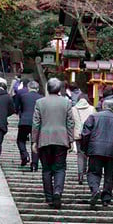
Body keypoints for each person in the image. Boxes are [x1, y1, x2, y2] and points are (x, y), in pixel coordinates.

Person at [32, 78, 74, 209]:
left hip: (44, 138)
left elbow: (36, 123)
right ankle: (57, 192)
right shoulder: (67, 103)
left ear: (48, 88)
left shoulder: (40, 102)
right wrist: (71, 139)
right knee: (60, 168)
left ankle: (49, 197)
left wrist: (34, 140)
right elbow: (70, 122)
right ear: (59, 88)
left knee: (46, 169)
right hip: (61, 139)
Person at [80, 97, 113, 208]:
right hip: (112, 151)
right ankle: (106, 199)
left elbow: (85, 134)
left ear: (103, 107)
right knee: (109, 175)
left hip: (95, 150)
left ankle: (95, 190)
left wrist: (85, 148)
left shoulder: (93, 117)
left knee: (93, 172)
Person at [14, 81, 43, 169]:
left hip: (24, 121)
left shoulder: (23, 96)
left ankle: (24, 155)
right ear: (37, 89)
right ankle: (34, 164)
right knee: (35, 142)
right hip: (37, 122)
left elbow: (18, 108)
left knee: (21, 140)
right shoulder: (41, 98)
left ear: (28, 88)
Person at [71, 95, 96, 184]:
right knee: (89, 154)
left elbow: (71, 123)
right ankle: (88, 172)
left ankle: (80, 175)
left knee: (80, 154)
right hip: (89, 135)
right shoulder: (92, 109)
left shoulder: (73, 109)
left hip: (78, 135)